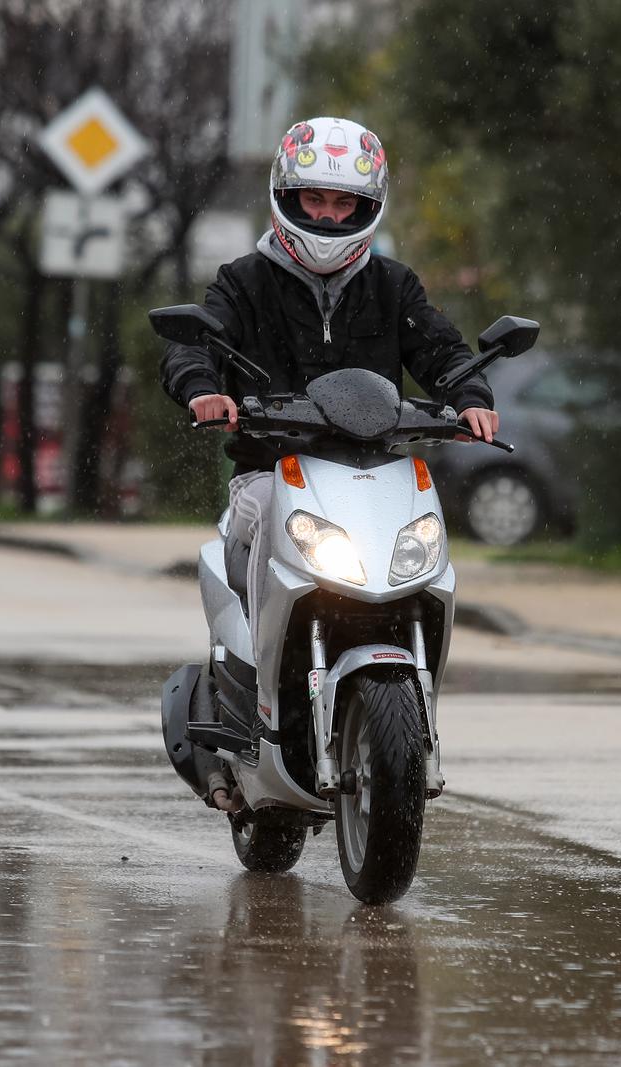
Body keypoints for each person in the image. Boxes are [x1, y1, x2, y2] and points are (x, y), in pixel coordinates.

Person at [158, 116, 498, 813]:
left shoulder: (394, 286)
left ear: (368, 207)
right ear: (287, 195)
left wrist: (470, 395)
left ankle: (412, 721)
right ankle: (254, 710)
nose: (328, 215)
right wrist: (203, 388)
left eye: (344, 203)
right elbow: (194, 348)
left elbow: (443, 350)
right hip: (269, 472)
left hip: (376, 476)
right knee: (259, 530)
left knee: (429, 558)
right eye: (315, 199)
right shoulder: (244, 281)